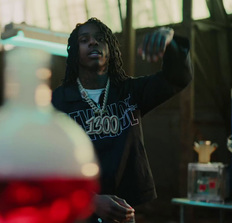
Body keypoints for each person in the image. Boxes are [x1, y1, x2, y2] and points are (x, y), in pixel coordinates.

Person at [52, 18, 192, 223]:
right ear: (74, 52)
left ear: (110, 50)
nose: (93, 43)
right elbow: (48, 163)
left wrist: (170, 40)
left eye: (100, 39)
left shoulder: (130, 92)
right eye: (84, 40)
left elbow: (177, 78)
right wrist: (90, 201)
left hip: (122, 211)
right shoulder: (58, 101)